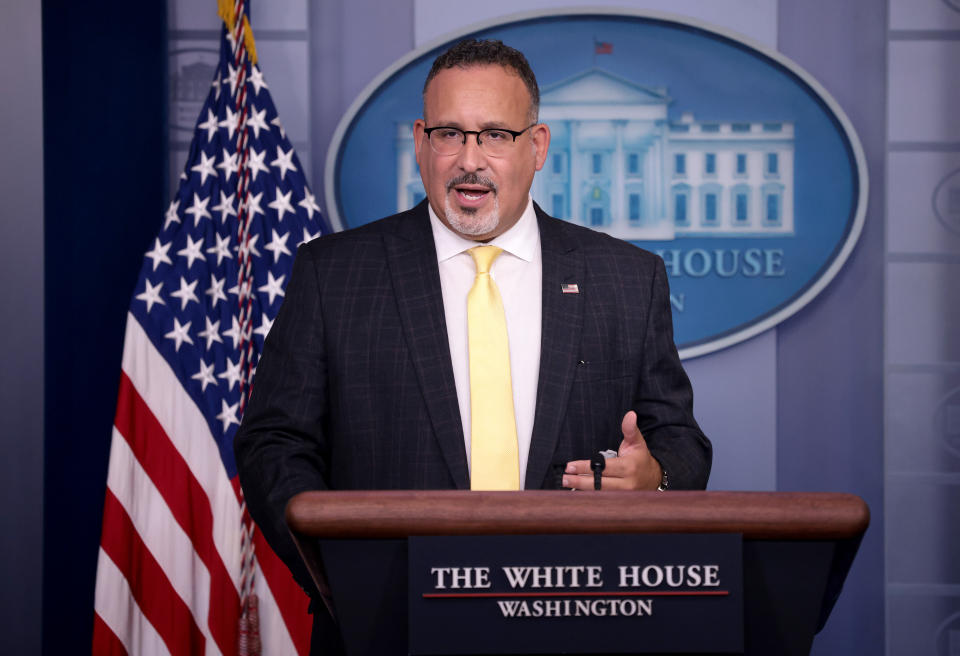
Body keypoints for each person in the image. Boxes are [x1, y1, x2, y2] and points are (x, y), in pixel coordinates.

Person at [234, 38, 710, 651]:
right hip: (384, 626)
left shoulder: (625, 277)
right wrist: (341, 569)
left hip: (580, 622)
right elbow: (275, 442)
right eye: (449, 134)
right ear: (419, 142)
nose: (469, 159)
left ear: (535, 146)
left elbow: (679, 440)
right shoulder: (335, 273)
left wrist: (656, 480)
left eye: (494, 135)